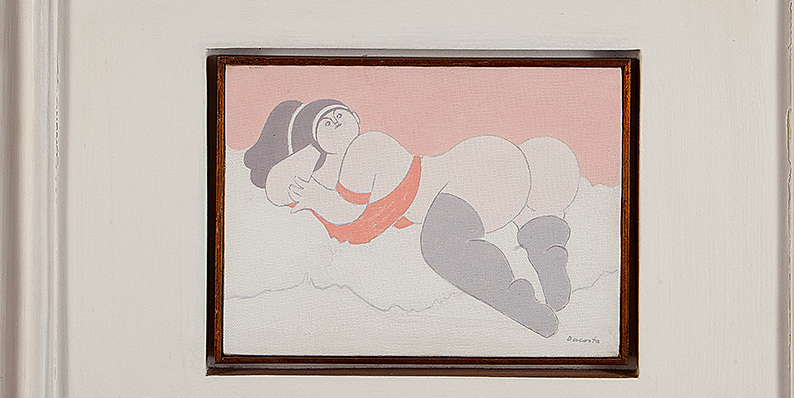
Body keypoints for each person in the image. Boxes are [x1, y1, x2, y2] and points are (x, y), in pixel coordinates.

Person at [244, 98, 579, 337]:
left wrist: (315, 198)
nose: (335, 123)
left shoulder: (366, 148)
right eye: (325, 124)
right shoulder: (347, 167)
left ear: (355, 117)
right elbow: (282, 189)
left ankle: (514, 301)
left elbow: (348, 211)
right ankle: (548, 253)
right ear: (315, 141)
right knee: (524, 190)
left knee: (439, 245)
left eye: (338, 114)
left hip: (474, 176)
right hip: (489, 170)